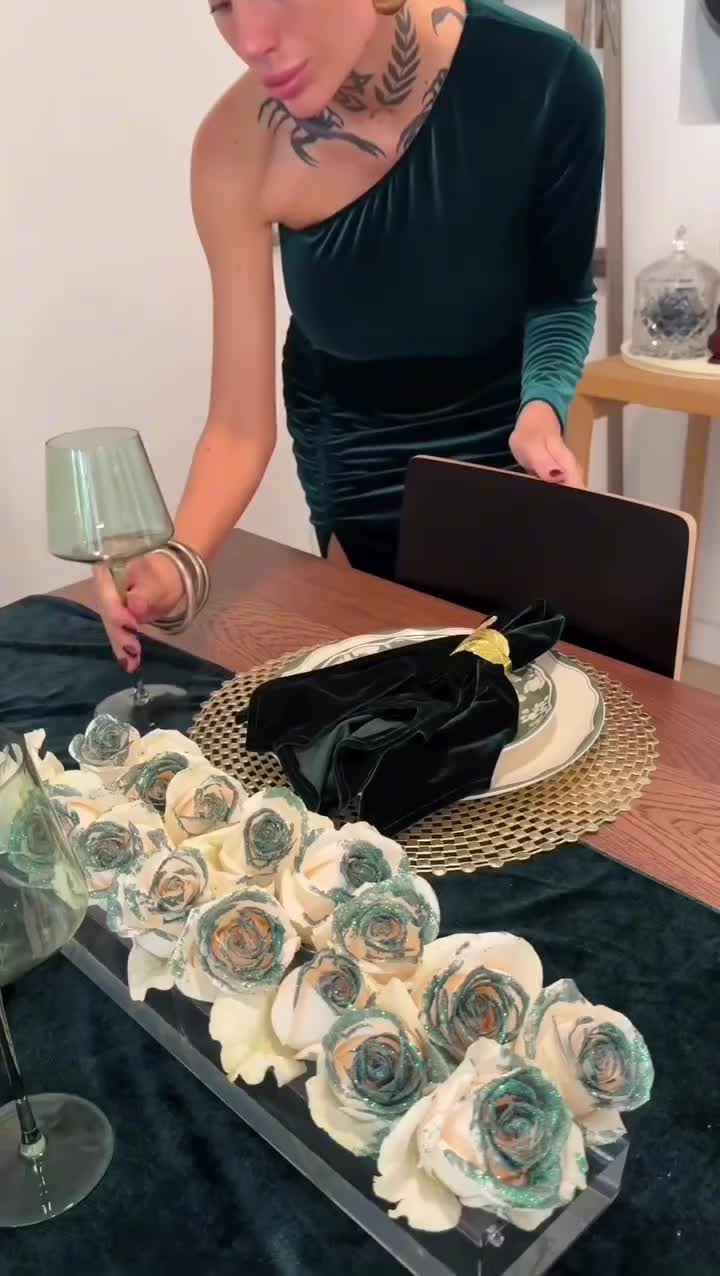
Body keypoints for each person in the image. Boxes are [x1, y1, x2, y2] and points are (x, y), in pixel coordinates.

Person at [98, 0, 605, 672]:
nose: (250, 39)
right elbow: (239, 428)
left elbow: (559, 296)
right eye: (221, 3)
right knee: (385, 683)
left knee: (525, 684)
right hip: (355, 459)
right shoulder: (233, 148)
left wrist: (542, 408)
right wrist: (177, 562)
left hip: (504, 443)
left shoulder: (546, 77)